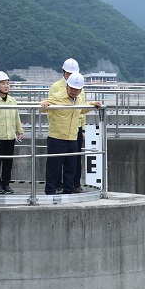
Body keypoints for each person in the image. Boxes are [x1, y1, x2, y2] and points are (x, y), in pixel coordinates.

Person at [41, 71, 100, 194]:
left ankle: (68, 191)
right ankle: (50, 191)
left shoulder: (78, 99)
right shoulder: (57, 96)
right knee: (54, 167)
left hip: (72, 137)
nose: (74, 91)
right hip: (57, 137)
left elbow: (82, 108)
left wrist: (93, 104)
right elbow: (43, 107)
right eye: (72, 88)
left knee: (71, 167)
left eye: (77, 89)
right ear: (67, 85)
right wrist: (44, 104)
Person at [48, 58, 87, 192]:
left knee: (73, 163)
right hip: (59, 131)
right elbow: (47, 108)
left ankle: (72, 186)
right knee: (55, 164)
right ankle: (54, 188)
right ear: (63, 72)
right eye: (69, 73)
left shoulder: (80, 91)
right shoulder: (56, 88)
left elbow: (82, 109)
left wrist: (83, 128)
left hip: (74, 129)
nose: (71, 76)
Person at [0, 71, 23, 194]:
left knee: (8, 162)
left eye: (7, 83)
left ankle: (6, 184)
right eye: (3, 83)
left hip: (10, 136)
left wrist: (19, 130)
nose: (6, 86)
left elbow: (16, 117)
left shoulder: (12, 101)